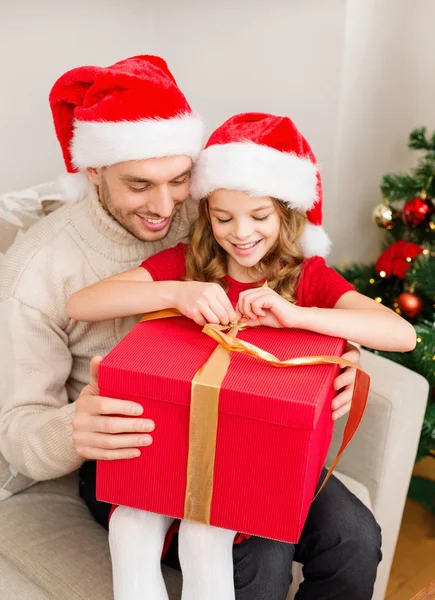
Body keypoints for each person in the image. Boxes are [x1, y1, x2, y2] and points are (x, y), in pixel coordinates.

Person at [67, 112, 416, 600]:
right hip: (181, 441)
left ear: (287, 213)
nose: (241, 233)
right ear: (207, 213)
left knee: (354, 537)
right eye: (223, 217)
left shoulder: (308, 277)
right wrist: (177, 291)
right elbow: (81, 303)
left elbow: (401, 335)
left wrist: (301, 319)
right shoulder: (186, 263)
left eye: (259, 217)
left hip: (269, 445)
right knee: (225, 546)